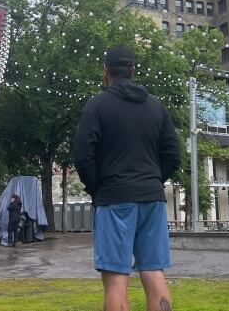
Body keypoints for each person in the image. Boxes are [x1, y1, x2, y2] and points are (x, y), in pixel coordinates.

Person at [73, 45, 180, 311]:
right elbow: (173, 156)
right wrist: (153, 180)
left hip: (113, 200)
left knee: (116, 279)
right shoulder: (157, 107)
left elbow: (82, 155)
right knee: (154, 272)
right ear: (133, 70)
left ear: (106, 72)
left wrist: (98, 187)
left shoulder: (97, 105)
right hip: (151, 201)